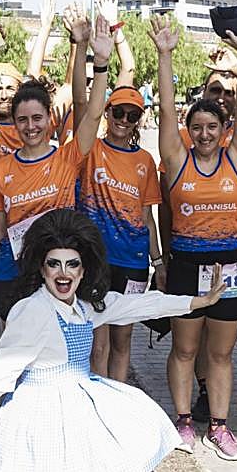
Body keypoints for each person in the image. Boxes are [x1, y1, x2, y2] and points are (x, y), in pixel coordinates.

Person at [0, 209, 225, 472]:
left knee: (127, 452)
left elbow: (138, 305)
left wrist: (198, 301)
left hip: (78, 392)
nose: (63, 274)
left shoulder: (87, 304)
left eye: (72, 264)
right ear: (42, 268)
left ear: (83, 269)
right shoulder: (32, 310)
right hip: (39, 405)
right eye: (54, 264)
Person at [153, 13, 237, 461]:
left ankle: (219, 425)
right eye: (196, 127)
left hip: (230, 263)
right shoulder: (177, 159)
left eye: (212, 127)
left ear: (224, 129)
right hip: (188, 263)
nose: (203, 134)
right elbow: (164, 107)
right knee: (184, 348)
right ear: (187, 130)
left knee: (221, 353)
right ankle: (182, 420)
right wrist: (164, 54)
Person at [0, 3, 111, 322]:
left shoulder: (68, 157)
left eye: (37, 118)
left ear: (49, 118)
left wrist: (101, 63)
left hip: (58, 271)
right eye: (23, 120)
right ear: (14, 123)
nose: (31, 127)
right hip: (13, 272)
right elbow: (0, 228)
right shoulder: (1, 167)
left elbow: (94, 112)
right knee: (20, 349)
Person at [77, 85, 163, 382]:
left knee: (122, 340)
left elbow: (147, 218)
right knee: (98, 342)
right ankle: (98, 405)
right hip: (97, 260)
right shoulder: (90, 150)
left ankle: (118, 401)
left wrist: (159, 263)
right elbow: (80, 103)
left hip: (134, 263)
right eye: (118, 112)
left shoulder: (145, 162)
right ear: (107, 112)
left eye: (132, 114)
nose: (124, 119)